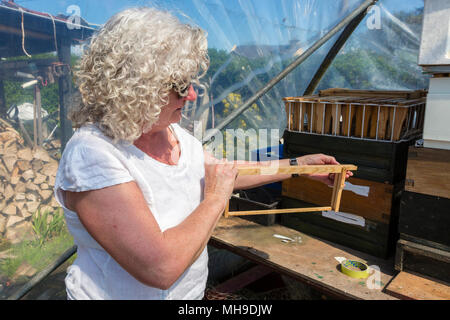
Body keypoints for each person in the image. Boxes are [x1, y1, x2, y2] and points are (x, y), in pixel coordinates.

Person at [54, 7, 352, 300]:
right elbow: (160, 267)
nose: (192, 95)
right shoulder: (92, 153)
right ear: (137, 85)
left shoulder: (173, 134)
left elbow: (224, 170)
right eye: (181, 86)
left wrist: (299, 165)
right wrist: (215, 198)